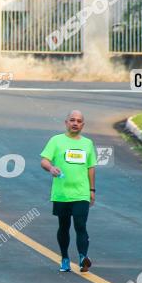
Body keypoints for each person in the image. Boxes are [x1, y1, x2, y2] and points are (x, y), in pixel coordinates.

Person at [40, 110, 97, 273]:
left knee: (80, 225)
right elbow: (44, 160)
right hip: (61, 193)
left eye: (79, 121)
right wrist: (51, 167)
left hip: (81, 193)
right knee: (63, 226)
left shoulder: (87, 143)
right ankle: (64, 258)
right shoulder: (56, 141)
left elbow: (91, 168)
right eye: (72, 120)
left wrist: (92, 190)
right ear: (66, 123)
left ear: (83, 125)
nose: (75, 123)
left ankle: (82, 258)